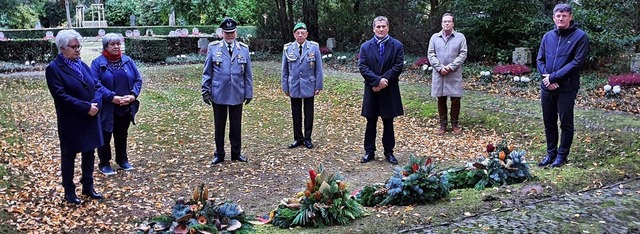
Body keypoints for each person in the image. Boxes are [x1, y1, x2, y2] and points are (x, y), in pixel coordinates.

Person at [45, 29, 113, 204]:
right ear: (62, 48)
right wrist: (86, 107)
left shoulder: (82, 64)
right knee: (69, 155)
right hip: (72, 119)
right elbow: (60, 96)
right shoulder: (54, 69)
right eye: (73, 47)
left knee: (89, 152)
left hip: (91, 115)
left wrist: (95, 104)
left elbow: (97, 85)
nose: (77, 50)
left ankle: (88, 186)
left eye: (78, 46)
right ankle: (69, 191)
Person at [536, 3, 589, 168]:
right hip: (547, 87)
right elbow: (540, 59)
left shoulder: (580, 37)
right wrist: (547, 79)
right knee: (549, 121)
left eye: (564, 15)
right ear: (553, 17)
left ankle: (562, 156)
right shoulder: (547, 36)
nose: (561, 18)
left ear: (570, 17)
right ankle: (550, 154)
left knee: (566, 123)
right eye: (558, 16)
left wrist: (554, 77)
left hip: (566, 87)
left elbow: (576, 63)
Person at [202, 18, 253, 165]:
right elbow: (207, 72)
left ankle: (236, 153)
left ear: (236, 33)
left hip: (237, 93)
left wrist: (248, 93)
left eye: (232, 33)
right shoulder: (214, 48)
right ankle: (219, 153)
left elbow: (248, 74)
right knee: (219, 126)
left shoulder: (243, 49)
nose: (229, 35)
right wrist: (205, 90)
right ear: (222, 33)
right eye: (226, 33)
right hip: (219, 93)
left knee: (236, 126)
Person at [91, 33, 143, 175]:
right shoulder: (97, 63)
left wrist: (132, 96)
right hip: (107, 107)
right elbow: (95, 84)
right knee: (105, 134)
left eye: (118, 44)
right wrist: (112, 97)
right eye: (112, 44)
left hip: (125, 106)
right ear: (106, 46)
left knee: (121, 134)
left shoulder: (127, 61)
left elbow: (138, 80)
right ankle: (104, 163)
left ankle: (122, 160)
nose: (116, 47)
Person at [358, 16, 404, 165]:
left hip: (389, 90)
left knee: (388, 122)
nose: (381, 29)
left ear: (388, 28)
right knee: (370, 121)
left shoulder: (397, 45)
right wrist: (377, 81)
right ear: (373, 29)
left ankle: (389, 152)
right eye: (378, 27)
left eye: (383, 26)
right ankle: (369, 152)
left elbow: (397, 66)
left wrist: (383, 81)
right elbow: (363, 67)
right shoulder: (365, 46)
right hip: (372, 89)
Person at [281, 22, 324, 149]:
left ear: (306, 34)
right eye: (297, 33)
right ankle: (298, 138)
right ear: (294, 34)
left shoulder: (314, 47)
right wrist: (285, 86)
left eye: (302, 33)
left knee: (309, 113)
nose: (300, 35)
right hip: (294, 85)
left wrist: (318, 86)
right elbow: (284, 70)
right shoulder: (288, 48)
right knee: (296, 113)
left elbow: (318, 69)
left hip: (309, 85)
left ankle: (308, 138)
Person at [427, 13, 468, 135]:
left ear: (453, 23)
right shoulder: (434, 37)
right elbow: (430, 54)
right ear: (441, 23)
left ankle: (455, 124)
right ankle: (443, 125)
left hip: (453, 74)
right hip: (439, 74)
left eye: (449, 21)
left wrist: (451, 67)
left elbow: (463, 54)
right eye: (444, 21)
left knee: (455, 99)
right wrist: (439, 67)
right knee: (441, 99)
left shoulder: (460, 37)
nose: (447, 23)